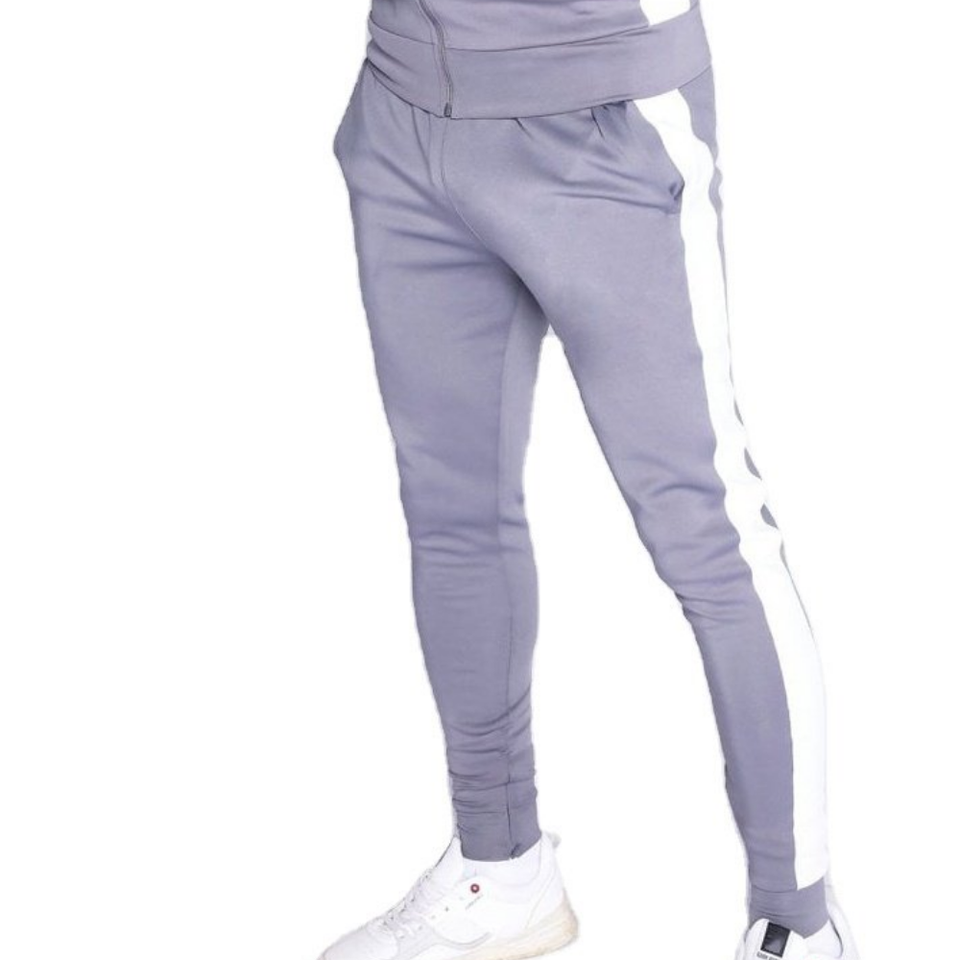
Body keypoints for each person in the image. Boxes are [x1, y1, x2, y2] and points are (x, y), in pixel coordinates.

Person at [323, 2, 860, 958]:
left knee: (707, 529)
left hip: (602, 117)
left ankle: (797, 921)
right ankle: (502, 868)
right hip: (405, 114)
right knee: (451, 513)